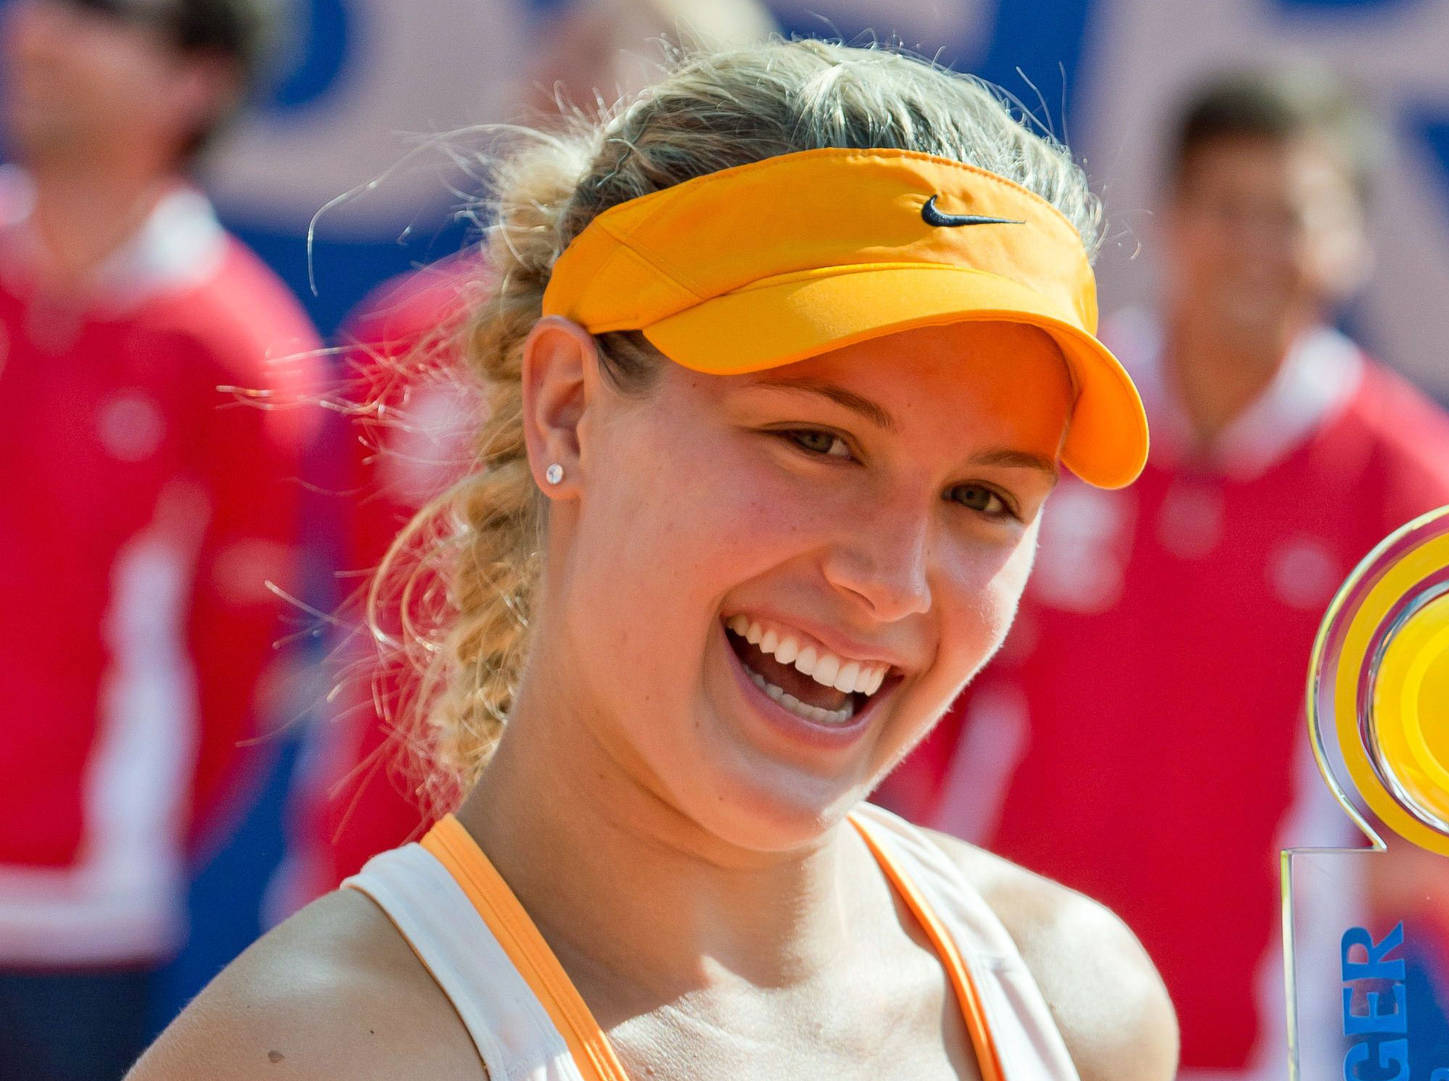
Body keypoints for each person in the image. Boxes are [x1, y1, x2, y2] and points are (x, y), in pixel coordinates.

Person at [132, 39, 1179, 1081]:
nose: (893, 580)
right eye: (818, 441)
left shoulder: (1079, 1004)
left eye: (983, 498)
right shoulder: (307, 1059)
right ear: (569, 411)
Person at [880, 66, 1449, 1076]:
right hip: (980, 1001)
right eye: (1227, 209)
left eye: (1292, 216)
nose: (1256, 249)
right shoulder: (1051, 409)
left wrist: (1345, 957)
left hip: (1251, 1043)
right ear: (1170, 219)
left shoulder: (1421, 483)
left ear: (1352, 245)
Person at [272, 0, 776, 917]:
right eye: (566, 48)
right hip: (363, 866)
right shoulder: (401, 329)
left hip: (587, 902)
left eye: (621, 63)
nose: (569, 80)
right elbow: (355, 598)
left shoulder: (725, 375)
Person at [0, 0, 319, 1077]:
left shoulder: (243, 356)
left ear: (197, 80)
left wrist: (104, 848)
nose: (37, 36)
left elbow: (236, 676)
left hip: (72, 942)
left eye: (97, 15)